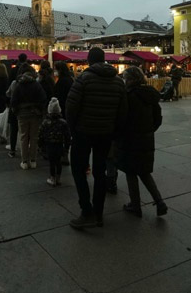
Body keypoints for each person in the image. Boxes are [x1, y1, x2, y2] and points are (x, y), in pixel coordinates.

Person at [66, 47, 128, 229]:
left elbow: (70, 108)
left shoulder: (83, 79)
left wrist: (73, 129)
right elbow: (123, 112)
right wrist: (114, 132)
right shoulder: (118, 82)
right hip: (106, 134)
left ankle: (87, 211)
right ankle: (99, 214)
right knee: (100, 173)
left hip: (83, 133)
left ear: (89, 60)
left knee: (78, 170)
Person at [116, 66, 167, 217]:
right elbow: (158, 118)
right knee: (144, 172)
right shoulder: (150, 95)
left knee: (131, 172)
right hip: (146, 138)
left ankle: (135, 204)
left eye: (125, 78)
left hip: (130, 139)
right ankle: (159, 202)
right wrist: (149, 130)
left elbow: (122, 118)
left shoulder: (129, 96)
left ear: (131, 79)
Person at [10, 64, 47, 169]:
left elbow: (13, 101)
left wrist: (16, 111)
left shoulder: (19, 85)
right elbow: (43, 98)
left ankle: (24, 161)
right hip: (35, 114)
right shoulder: (36, 85)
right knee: (34, 137)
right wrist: (38, 109)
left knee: (23, 137)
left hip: (22, 114)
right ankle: (33, 160)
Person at [38, 97, 71, 186]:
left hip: (49, 145)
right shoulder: (63, 122)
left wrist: (40, 145)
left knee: (52, 162)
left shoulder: (45, 122)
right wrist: (67, 147)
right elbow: (67, 136)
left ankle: (52, 177)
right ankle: (58, 178)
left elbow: (40, 134)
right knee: (58, 162)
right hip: (59, 145)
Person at [53, 61, 73, 166]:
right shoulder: (70, 79)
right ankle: (65, 153)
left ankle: (63, 154)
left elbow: (56, 95)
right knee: (67, 133)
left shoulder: (62, 81)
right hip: (68, 109)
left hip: (61, 109)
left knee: (61, 133)